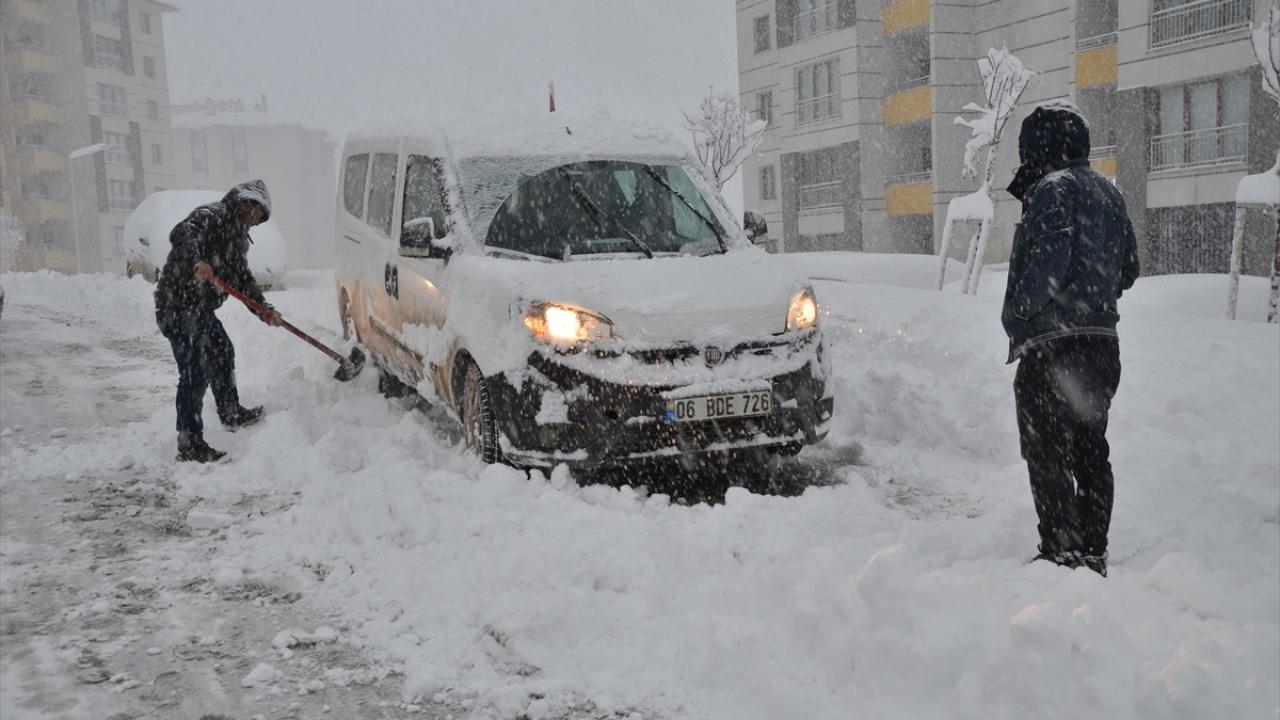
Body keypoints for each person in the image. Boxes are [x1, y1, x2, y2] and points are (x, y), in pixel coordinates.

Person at [1002, 101, 1140, 577]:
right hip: (1102, 345)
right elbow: (1129, 269)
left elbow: (1048, 267)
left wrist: (1020, 308)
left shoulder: (1050, 190)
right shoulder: (1109, 192)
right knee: (1089, 445)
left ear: (1039, 149)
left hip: (1054, 346)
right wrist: (1095, 294)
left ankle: (1061, 550)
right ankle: (1092, 548)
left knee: (1046, 449)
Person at [154, 180, 282, 463]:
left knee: (222, 351)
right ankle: (190, 444)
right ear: (249, 204)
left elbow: (242, 280)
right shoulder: (210, 216)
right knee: (194, 372)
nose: (257, 224)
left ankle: (231, 412)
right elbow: (183, 233)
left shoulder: (237, 239)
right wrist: (198, 259)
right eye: (259, 217)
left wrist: (264, 309)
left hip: (199, 310)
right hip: (176, 307)